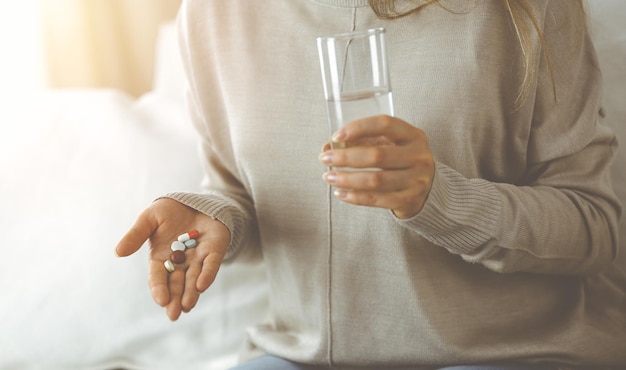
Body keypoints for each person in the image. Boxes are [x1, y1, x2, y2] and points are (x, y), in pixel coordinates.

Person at [115, 0, 626, 369]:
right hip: (299, 355)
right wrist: (215, 215)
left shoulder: (525, 10)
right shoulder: (215, 15)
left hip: (509, 352)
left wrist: (440, 200)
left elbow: (596, 228)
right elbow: (241, 192)